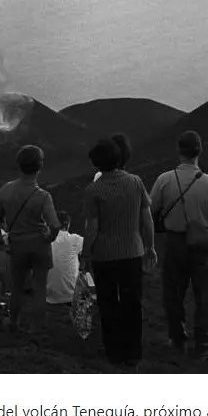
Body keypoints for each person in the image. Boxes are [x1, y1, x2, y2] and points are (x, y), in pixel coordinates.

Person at [150, 130, 208, 359]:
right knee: (204, 296)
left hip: (174, 242)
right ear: (199, 151)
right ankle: (203, 345)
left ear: (179, 151)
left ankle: (177, 338)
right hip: (202, 245)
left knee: (173, 292)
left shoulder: (165, 179)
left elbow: (151, 210)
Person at [81, 138, 156, 368]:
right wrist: (150, 247)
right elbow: (147, 219)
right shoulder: (136, 182)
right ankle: (133, 353)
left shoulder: (93, 190)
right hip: (132, 251)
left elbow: (92, 228)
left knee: (108, 302)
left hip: (104, 255)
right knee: (133, 302)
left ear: (96, 164)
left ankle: (113, 352)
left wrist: (86, 254)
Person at [0, 146, 62, 332]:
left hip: (17, 245)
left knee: (17, 286)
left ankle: (13, 322)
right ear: (40, 167)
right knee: (39, 288)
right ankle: (36, 328)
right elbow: (55, 225)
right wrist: (49, 238)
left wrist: (0, 243)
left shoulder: (4, 190)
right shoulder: (43, 196)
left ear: (19, 165)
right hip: (40, 245)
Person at [46, 211, 84, 305]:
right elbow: (90, 247)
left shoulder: (45, 242)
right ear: (67, 225)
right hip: (70, 297)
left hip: (48, 297)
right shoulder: (74, 239)